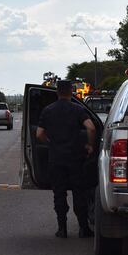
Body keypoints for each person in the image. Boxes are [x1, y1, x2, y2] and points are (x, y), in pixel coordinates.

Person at [37, 80, 97, 238]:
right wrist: (90, 145)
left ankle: (62, 229)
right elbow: (91, 127)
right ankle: (83, 229)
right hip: (75, 158)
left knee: (59, 194)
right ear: (72, 91)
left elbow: (39, 134)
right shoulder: (78, 109)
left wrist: (51, 144)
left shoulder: (48, 110)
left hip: (56, 159)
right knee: (79, 193)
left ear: (57, 92)